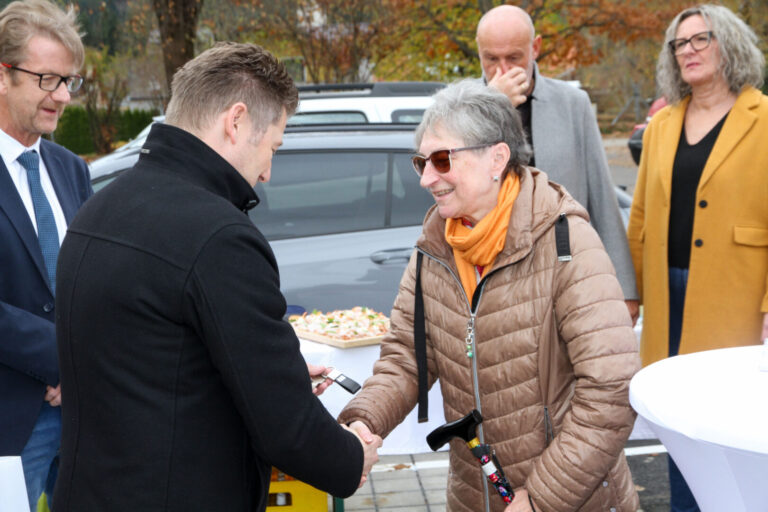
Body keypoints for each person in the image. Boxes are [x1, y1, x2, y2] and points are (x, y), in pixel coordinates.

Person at [53, 42, 381, 511]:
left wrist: (273, 372)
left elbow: (147, 362)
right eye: (272, 147)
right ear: (236, 121)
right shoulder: (219, 236)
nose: (267, 173)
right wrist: (351, 457)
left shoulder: (100, 208)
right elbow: (286, 428)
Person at [339, 80, 640, 512]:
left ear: (497, 158)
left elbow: (611, 387)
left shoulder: (566, 241)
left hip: (570, 498)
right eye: (421, 162)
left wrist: (542, 497)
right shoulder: (434, 249)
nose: (426, 178)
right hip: (473, 497)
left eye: (442, 160)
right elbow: (405, 359)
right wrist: (363, 422)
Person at [627, 5, 767, 511]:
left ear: (729, 44)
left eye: (700, 39)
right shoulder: (662, 125)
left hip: (737, 296)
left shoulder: (764, 119)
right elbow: (640, 216)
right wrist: (629, 294)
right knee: (679, 419)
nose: (687, 50)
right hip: (667, 297)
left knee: (729, 423)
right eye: (679, 44)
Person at [474, 5, 640, 322]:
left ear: (535, 48)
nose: (502, 70)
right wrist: (492, 107)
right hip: (494, 279)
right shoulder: (460, 108)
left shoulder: (572, 103)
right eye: (491, 59)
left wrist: (625, 286)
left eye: (514, 57)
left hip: (565, 274)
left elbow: (601, 194)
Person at [0, 1, 91, 510]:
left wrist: (81, 368)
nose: (63, 96)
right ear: (2, 75)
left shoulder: (71, 168)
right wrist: (62, 361)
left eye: (68, 81)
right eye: (48, 80)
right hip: (11, 421)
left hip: (85, 416)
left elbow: (95, 281)